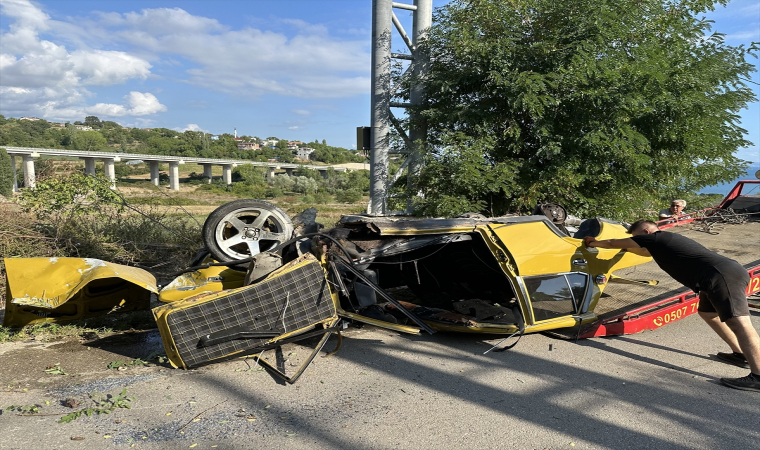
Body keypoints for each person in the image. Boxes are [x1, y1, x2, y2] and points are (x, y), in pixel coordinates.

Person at [584, 219, 760, 393]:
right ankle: (740, 354)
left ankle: (758, 376)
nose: (637, 242)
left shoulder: (656, 237)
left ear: (645, 232)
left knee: (740, 323)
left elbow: (611, 242)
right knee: (707, 313)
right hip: (715, 276)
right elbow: (644, 252)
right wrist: (625, 248)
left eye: (636, 237)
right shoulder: (664, 242)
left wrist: (593, 242)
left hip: (721, 276)